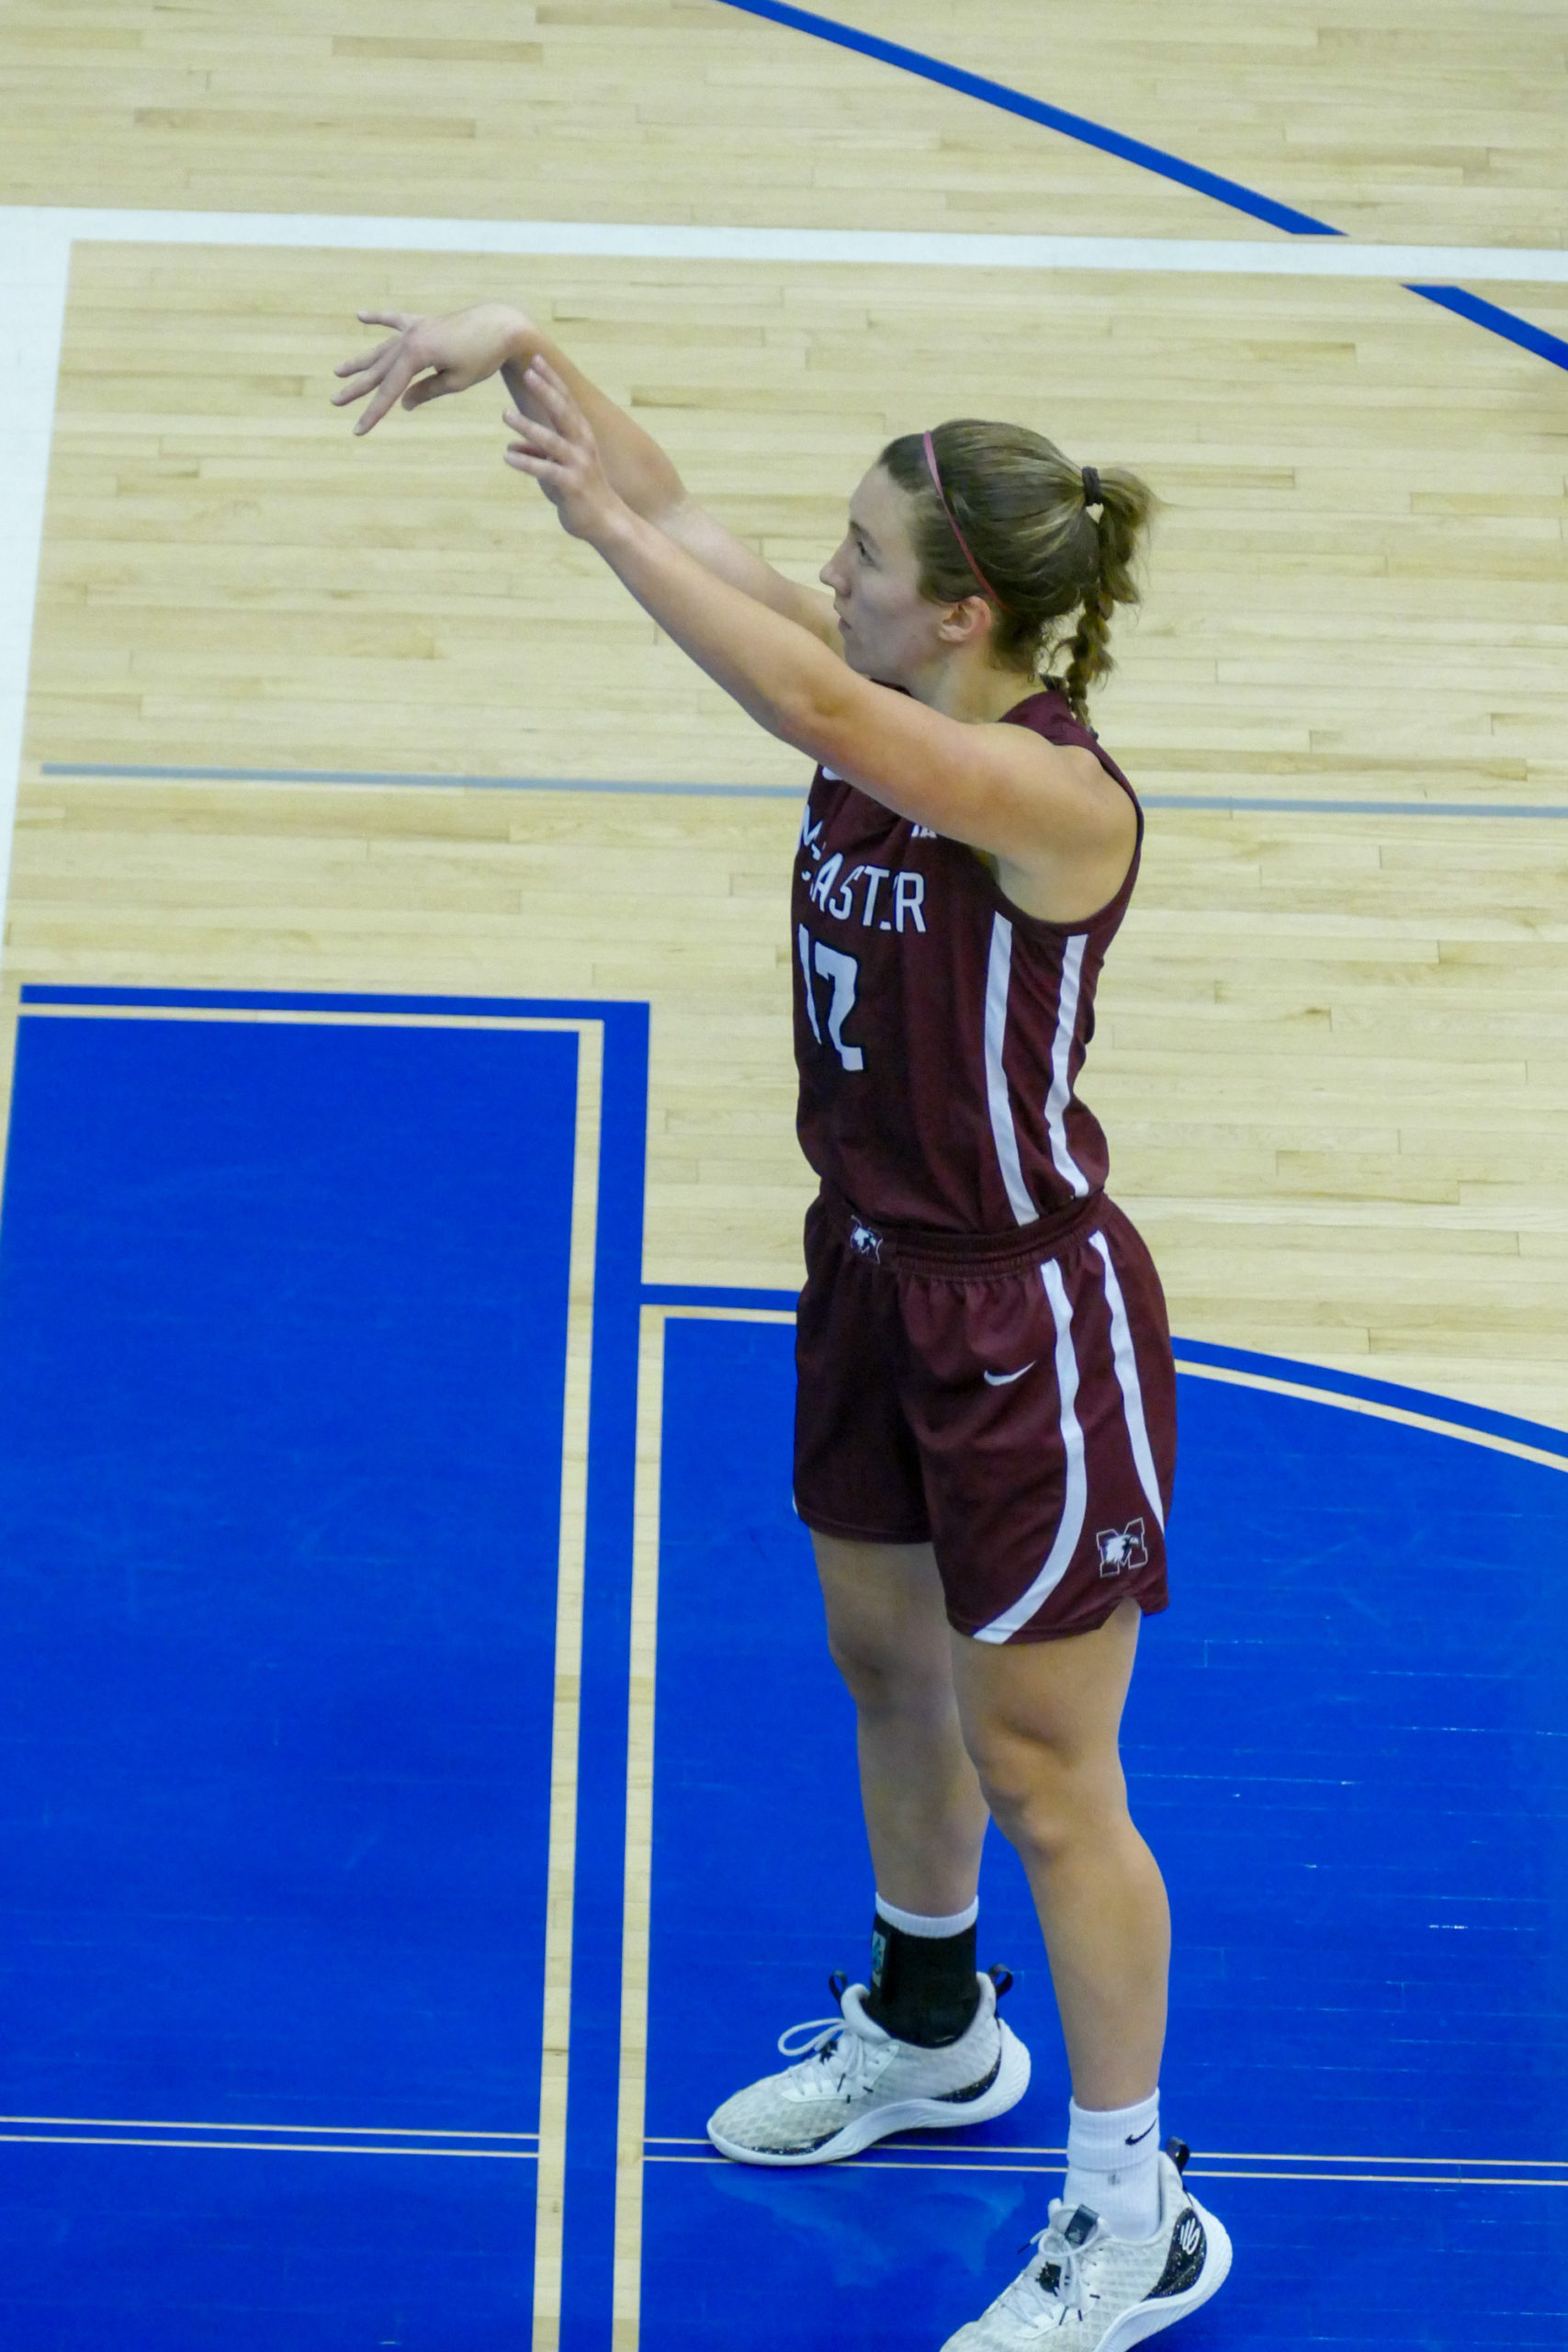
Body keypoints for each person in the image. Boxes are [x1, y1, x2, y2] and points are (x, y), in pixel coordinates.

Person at [334, 302, 1231, 2348]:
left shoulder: (1037, 794)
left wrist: (621, 546)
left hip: (1024, 1314)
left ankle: (1132, 2206)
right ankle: (930, 2027)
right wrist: (534, 357)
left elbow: (820, 714)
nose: (823, 575)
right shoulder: (875, 670)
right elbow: (668, 517)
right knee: (879, 1666)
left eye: (858, 559)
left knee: (1047, 1768)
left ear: (963, 612)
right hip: (866, 1273)